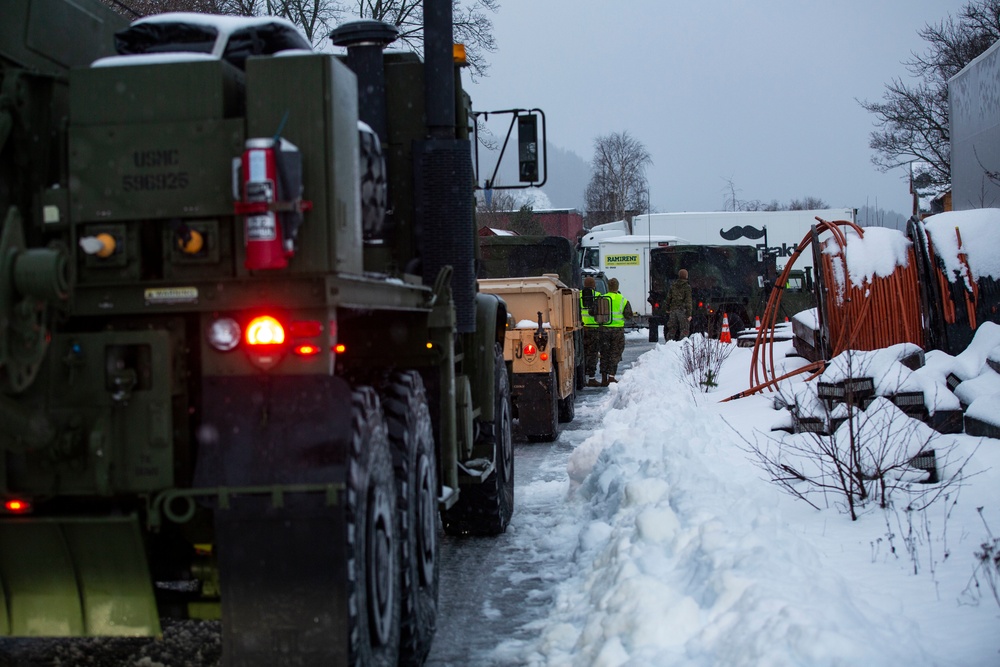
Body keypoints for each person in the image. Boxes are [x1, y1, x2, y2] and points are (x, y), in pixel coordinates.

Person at [599, 277, 633, 385]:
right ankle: (611, 376)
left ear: (608, 287)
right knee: (615, 353)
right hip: (617, 331)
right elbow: (628, 315)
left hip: (604, 330)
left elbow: (593, 312)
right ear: (617, 287)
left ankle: (603, 377)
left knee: (604, 353)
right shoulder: (623, 299)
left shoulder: (602, 299)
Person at [580, 275, 603, 387]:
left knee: (582, 353)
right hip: (594, 329)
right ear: (594, 286)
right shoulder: (598, 296)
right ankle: (592, 378)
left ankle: (581, 377)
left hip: (581, 329)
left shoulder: (578, 296)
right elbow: (602, 314)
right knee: (593, 353)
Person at [664, 268, 692, 341]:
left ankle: (668, 344)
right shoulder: (687, 287)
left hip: (673, 310)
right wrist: (689, 314)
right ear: (686, 276)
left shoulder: (673, 286)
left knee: (672, 328)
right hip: (682, 311)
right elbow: (688, 301)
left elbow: (668, 298)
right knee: (684, 329)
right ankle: (682, 344)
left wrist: (667, 309)